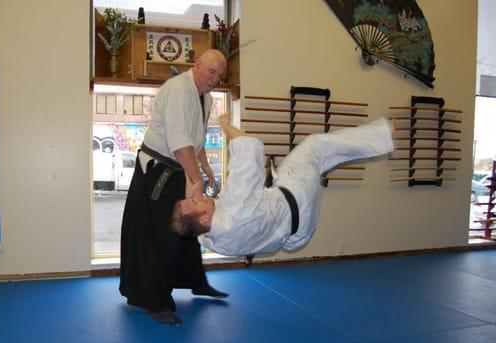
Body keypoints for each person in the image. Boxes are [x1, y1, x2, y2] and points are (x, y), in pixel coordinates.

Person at [171, 114, 395, 256]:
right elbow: (249, 147)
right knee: (317, 147)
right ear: (203, 218)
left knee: (318, 160)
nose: (197, 196)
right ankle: (383, 134)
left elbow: (192, 227)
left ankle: (380, 138)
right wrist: (225, 124)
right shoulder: (235, 207)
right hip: (299, 195)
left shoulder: (212, 241)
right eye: (194, 202)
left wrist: (194, 192)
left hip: (297, 236)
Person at [119, 49, 229, 326]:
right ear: (197, 65)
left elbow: (197, 142)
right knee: (161, 237)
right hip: (158, 171)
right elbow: (181, 144)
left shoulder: (205, 97)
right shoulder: (180, 91)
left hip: (179, 168)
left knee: (187, 232)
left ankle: (196, 281)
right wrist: (196, 182)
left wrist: (206, 171)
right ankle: (155, 301)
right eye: (211, 72)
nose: (214, 79)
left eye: (220, 75)